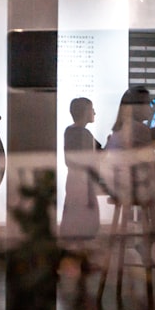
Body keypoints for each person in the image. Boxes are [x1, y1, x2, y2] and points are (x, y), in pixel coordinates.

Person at [60, 97, 103, 241]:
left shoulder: (70, 132)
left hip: (75, 180)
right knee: (84, 220)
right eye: (92, 109)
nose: (94, 113)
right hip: (83, 182)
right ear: (85, 112)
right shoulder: (84, 134)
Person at [105, 86, 155, 151]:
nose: (150, 108)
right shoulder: (139, 130)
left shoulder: (120, 129)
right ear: (137, 107)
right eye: (147, 103)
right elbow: (149, 159)